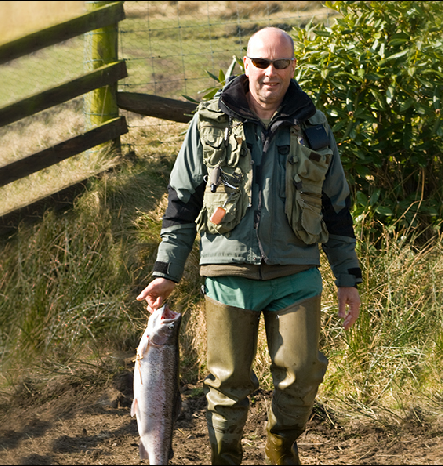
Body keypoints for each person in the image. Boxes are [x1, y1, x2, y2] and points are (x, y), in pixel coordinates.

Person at [137, 27, 362, 465]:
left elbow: (337, 207)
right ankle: (227, 458)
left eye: (281, 63)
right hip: (227, 275)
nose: (270, 73)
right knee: (227, 383)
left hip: (296, 273)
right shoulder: (208, 121)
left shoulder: (313, 124)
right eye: (261, 62)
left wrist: (347, 277)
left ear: (294, 66)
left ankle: (281, 449)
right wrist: (167, 270)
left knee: (301, 375)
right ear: (246, 64)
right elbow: (181, 202)